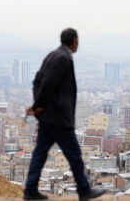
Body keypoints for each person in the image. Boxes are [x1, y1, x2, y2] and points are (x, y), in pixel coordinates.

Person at [23, 28, 107, 201]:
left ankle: (30, 190)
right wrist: (39, 106)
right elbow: (47, 83)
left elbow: (38, 80)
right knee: (74, 154)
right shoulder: (63, 58)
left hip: (48, 116)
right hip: (58, 117)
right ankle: (84, 190)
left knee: (40, 153)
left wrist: (38, 106)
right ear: (74, 41)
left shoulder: (52, 55)